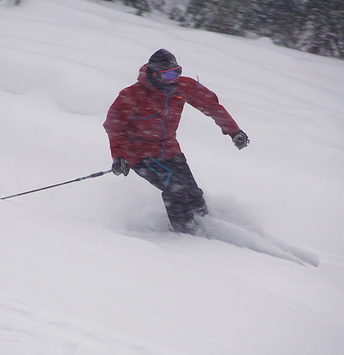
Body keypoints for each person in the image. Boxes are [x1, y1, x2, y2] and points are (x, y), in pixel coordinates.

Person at [103, 49, 249, 234]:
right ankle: (185, 235)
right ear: (154, 75)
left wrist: (234, 131)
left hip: (170, 150)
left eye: (176, 73)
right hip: (139, 154)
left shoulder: (184, 86)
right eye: (167, 75)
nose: (172, 79)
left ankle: (209, 228)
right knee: (175, 190)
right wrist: (119, 156)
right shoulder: (132, 95)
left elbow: (212, 106)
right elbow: (114, 126)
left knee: (192, 193)